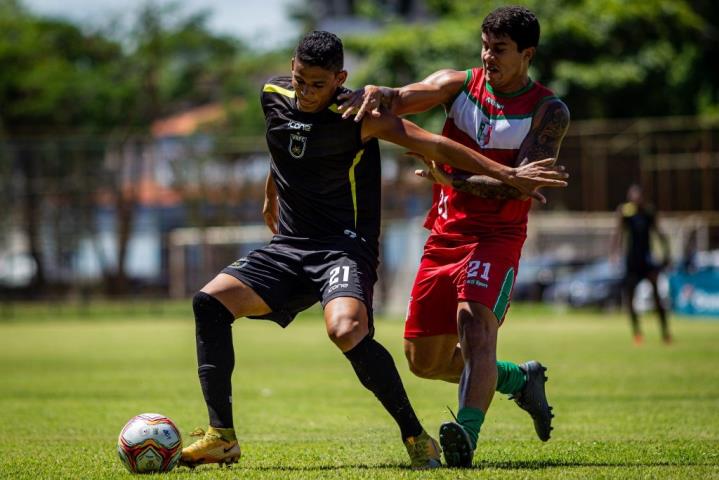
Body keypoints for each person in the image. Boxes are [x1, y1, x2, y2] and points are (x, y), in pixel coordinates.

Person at [180, 30, 568, 470]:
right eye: (301, 80)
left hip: (343, 250)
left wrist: (509, 174)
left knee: (347, 330)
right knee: (208, 302)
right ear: (291, 68)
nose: (307, 93)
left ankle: (417, 437)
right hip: (288, 246)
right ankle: (222, 437)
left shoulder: (359, 115)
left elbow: (434, 144)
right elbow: (284, 143)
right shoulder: (272, 95)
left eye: (319, 85)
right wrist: (271, 193)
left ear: (340, 78)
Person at [338, 6, 570, 467]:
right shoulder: (458, 84)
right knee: (423, 360)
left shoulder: (548, 111)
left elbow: (516, 185)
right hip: (444, 236)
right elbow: (403, 96)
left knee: (475, 326)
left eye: (499, 50)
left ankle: (465, 434)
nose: (488, 56)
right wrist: (378, 93)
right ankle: (518, 381)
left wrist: (452, 182)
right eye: (484, 46)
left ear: (527, 54)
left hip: (498, 237)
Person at [611, 184, 672, 345]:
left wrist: (667, 254)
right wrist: (614, 253)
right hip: (632, 261)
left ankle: (665, 333)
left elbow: (658, 233)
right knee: (630, 299)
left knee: (657, 296)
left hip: (647, 261)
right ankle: (637, 333)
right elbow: (617, 233)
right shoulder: (625, 212)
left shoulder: (649, 212)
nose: (636, 199)